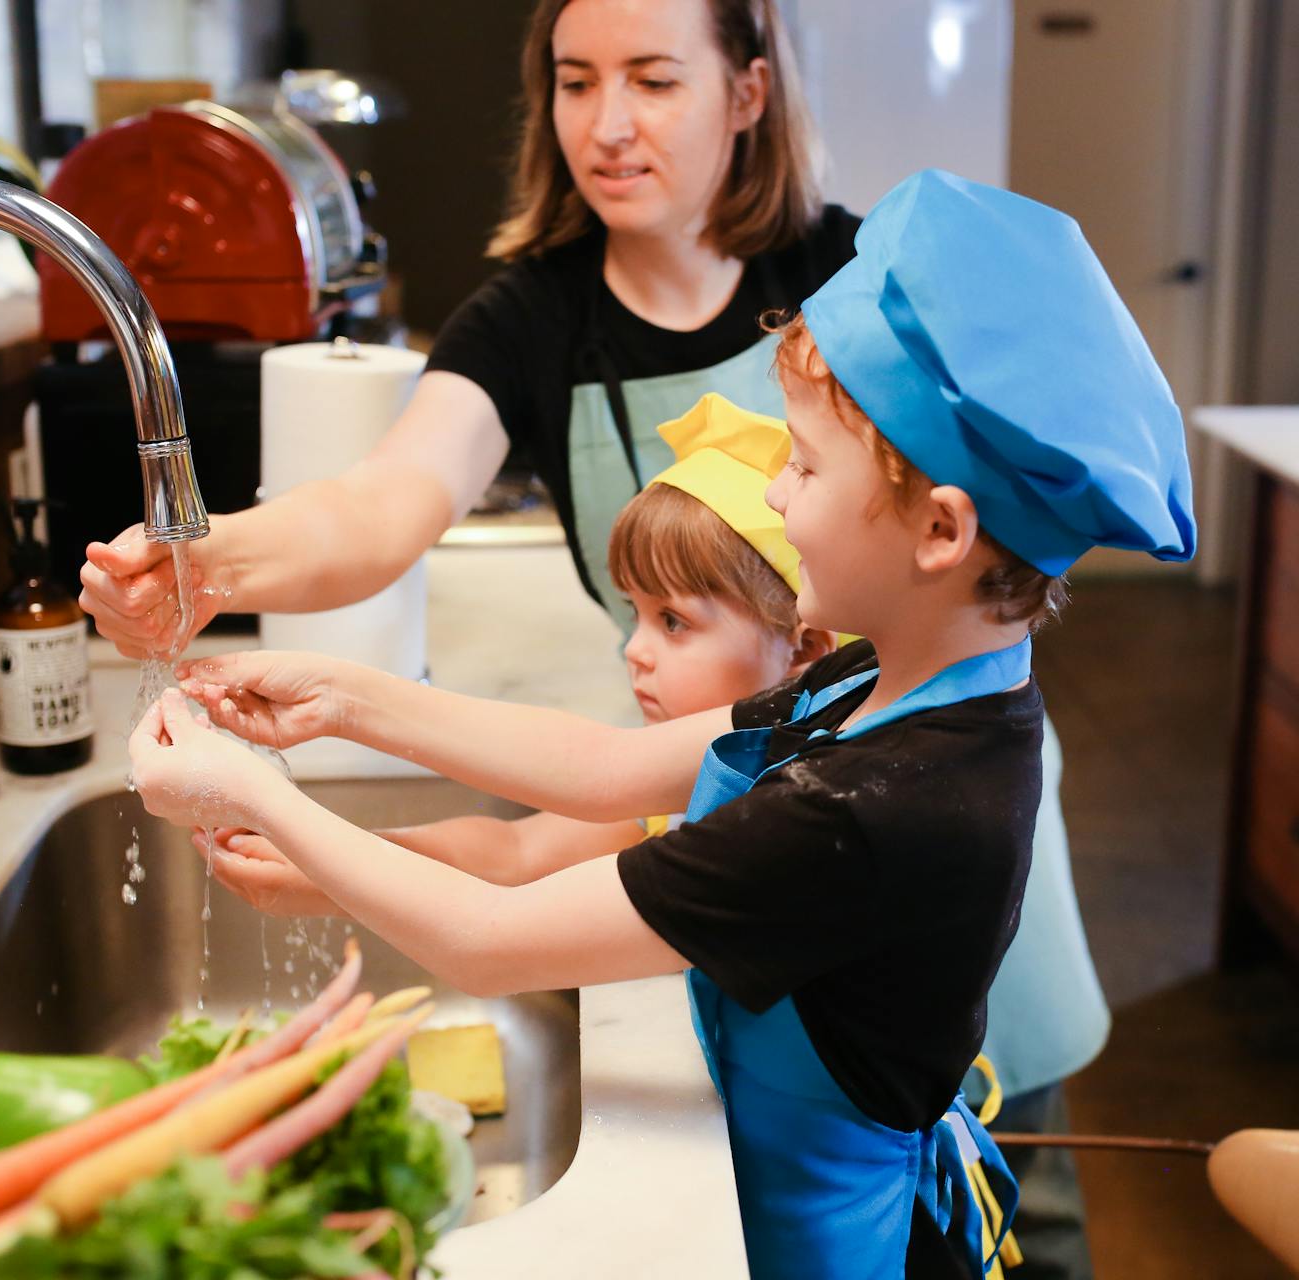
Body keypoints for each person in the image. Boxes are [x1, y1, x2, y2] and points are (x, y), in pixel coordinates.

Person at [128, 169, 1195, 1279]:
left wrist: (256, 792)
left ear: (940, 529)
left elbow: (488, 944)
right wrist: (345, 699)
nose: (776, 495)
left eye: (808, 464)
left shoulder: (882, 807)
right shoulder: (893, 682)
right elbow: (608, 770)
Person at [78, 0, 855, 650]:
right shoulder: (526, 321)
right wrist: (201, 562)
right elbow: (379, 508)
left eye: (653, 81)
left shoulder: (853, 275)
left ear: (748, 95)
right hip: (687, 762)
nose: (607, 126)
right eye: (576, 83)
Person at [201, 392, 835, 900]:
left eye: (673, 622)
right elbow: (515, 854)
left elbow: (519, 891)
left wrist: (338, 863)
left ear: (805, 647)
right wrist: (331, 859)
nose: (634, 652)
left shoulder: (800, 806)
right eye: (634, 615)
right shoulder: (677, 786)